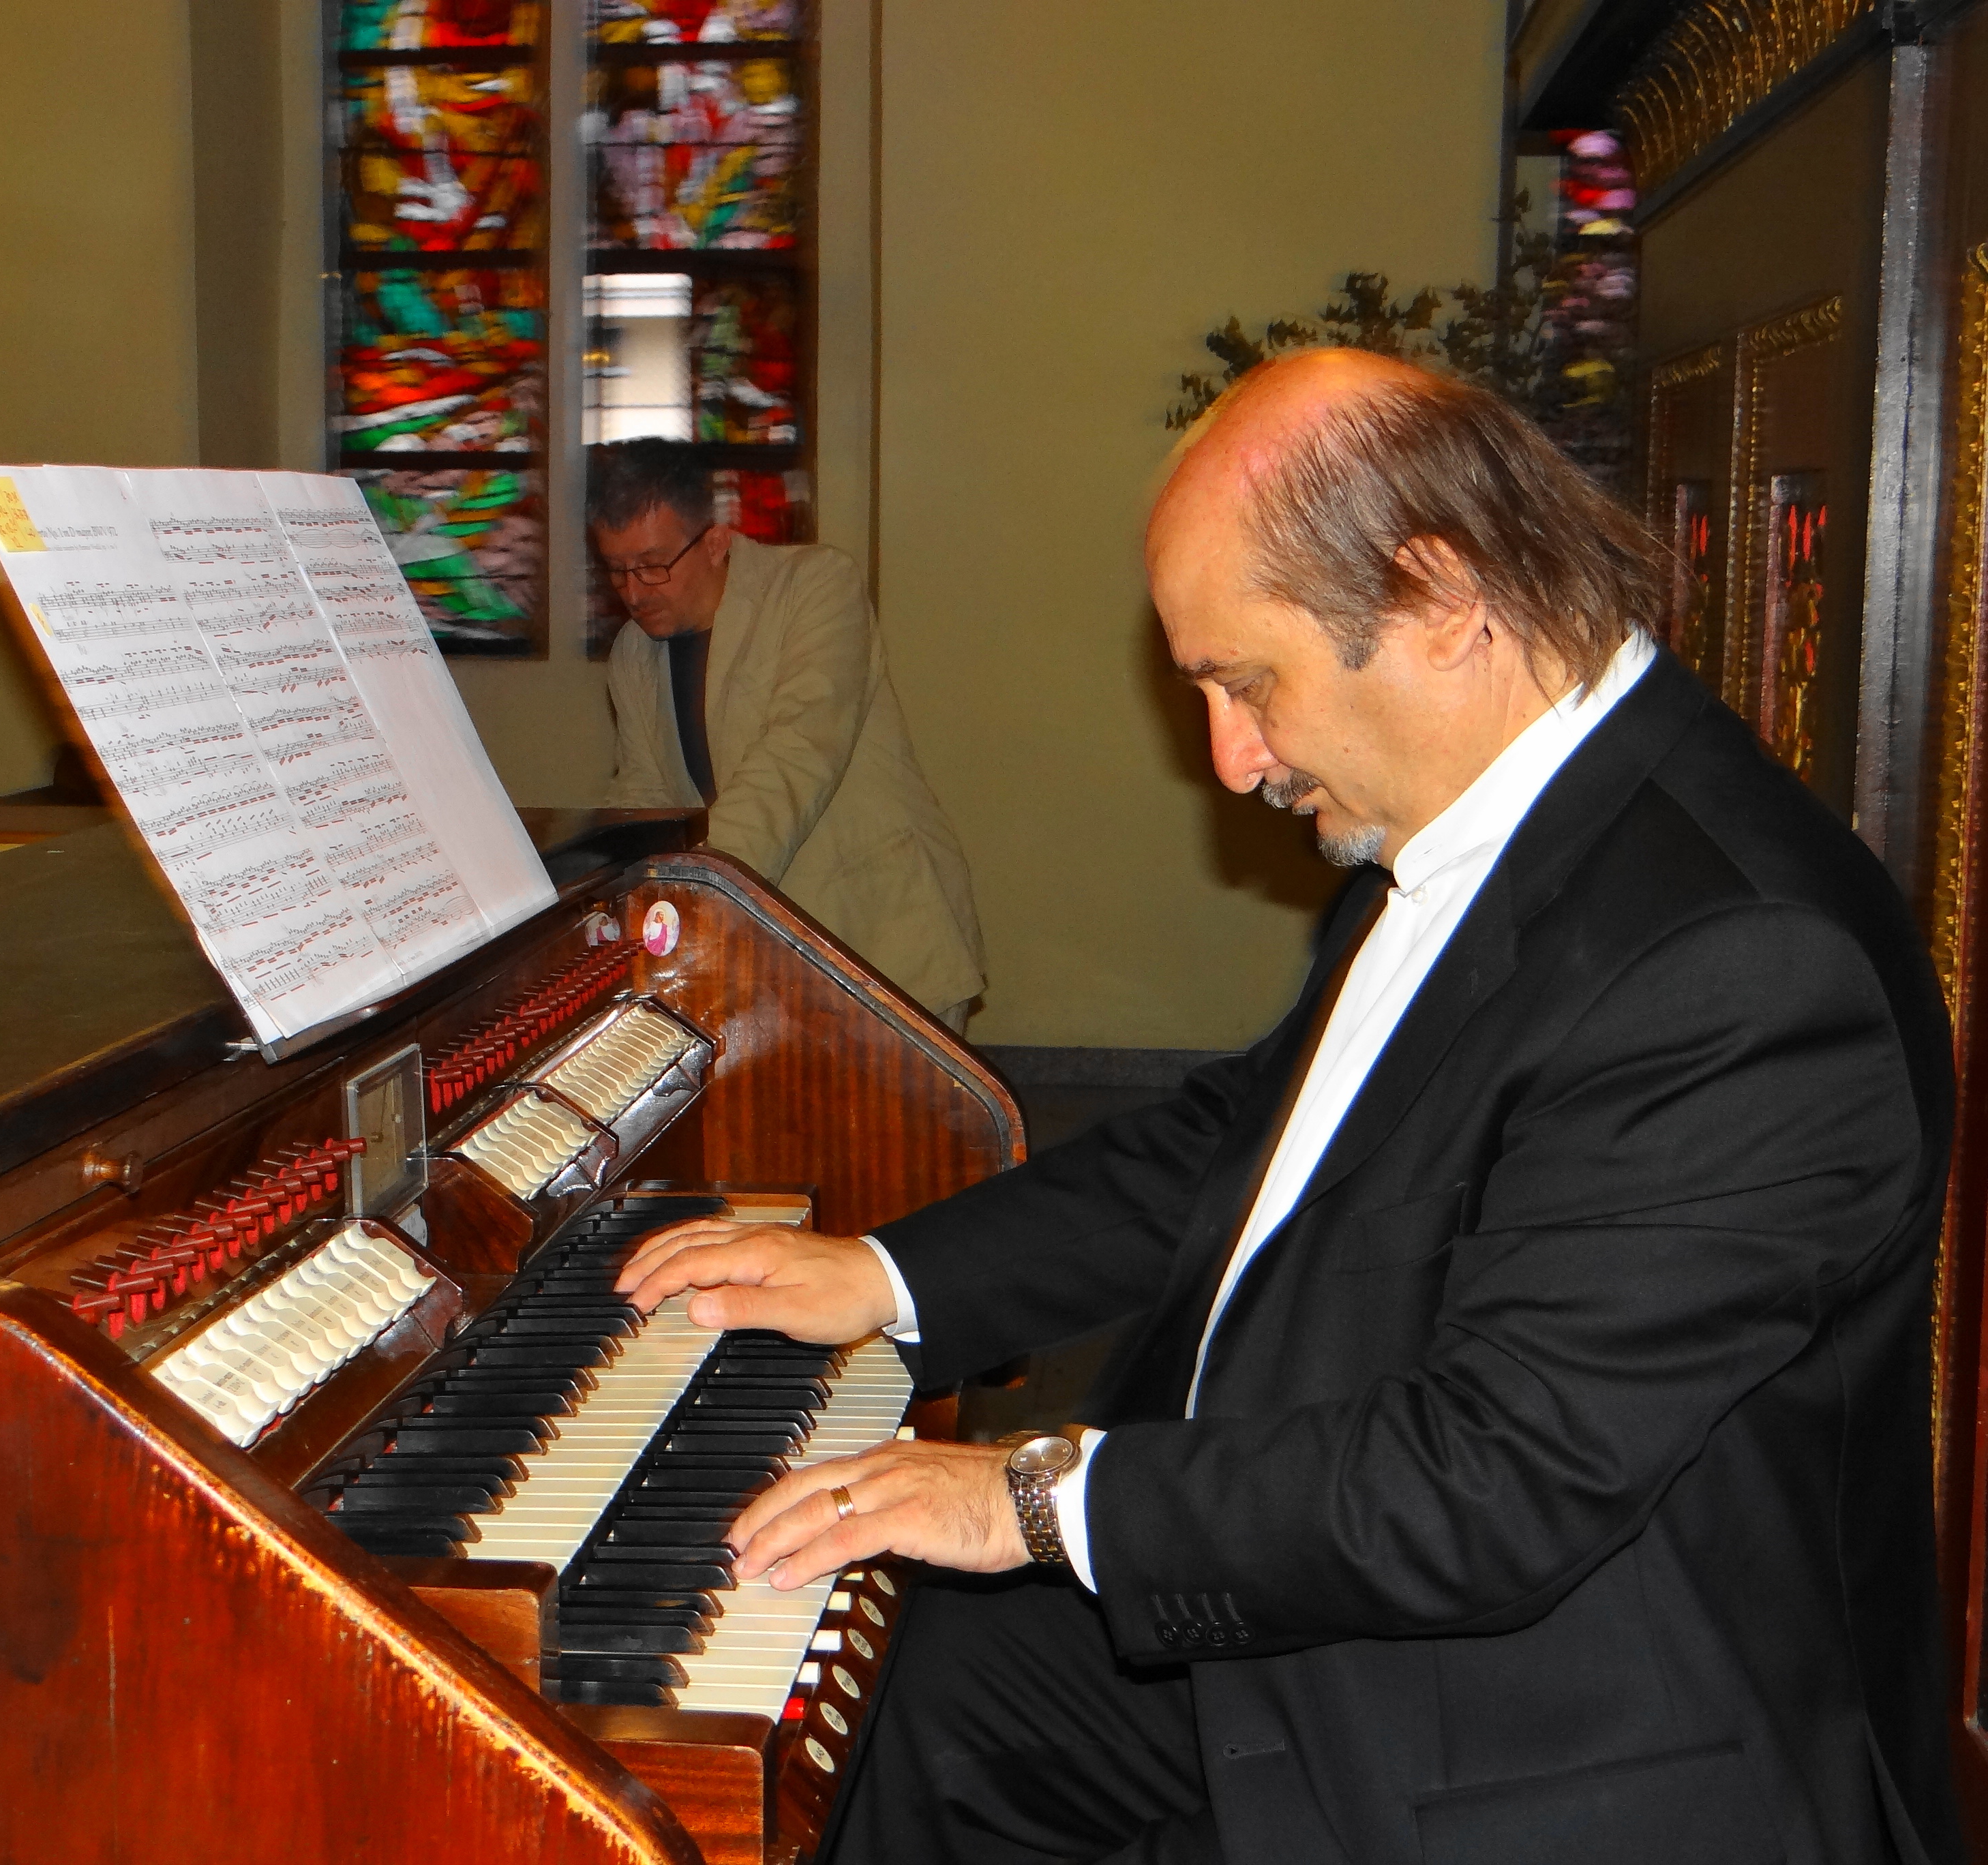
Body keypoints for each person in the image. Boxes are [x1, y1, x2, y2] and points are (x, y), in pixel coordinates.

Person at [614, 351, 1963, 1864]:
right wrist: (884, 1275)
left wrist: (1030, 1499)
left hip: (1562, 1740)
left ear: (1440, 598)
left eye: (1246, 684)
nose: (1230, 758)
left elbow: (1498, 1482)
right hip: (1360, 1577)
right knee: (897, 1684)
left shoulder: (1739, 961)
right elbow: (1243, 1140)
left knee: (936, 1633)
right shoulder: (1477, 825)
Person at [590, 439, 986, 1029]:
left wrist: (696, 895)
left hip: (880, 938)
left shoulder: (815, 585)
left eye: (652, 565)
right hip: (765, 958)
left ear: (716, 541)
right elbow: (647, 798)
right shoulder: (633, 652)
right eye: (617, 570)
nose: (634, 592)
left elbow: (798, 754)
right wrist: (611, 898)